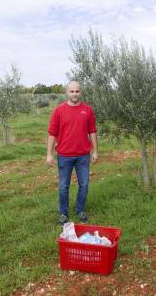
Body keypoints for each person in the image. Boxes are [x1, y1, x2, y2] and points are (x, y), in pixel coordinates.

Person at [46, 81, 98, 225]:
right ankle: (63, 213)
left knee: (84, 184)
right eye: (72, 91)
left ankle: (80, 210)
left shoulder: (87, 110)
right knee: (64, 186)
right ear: (67, 92)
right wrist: (49, 154)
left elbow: (92, 131)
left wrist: (95, 151)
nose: (75, 94)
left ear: (80, 92)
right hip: (64, 155)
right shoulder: (59, 110)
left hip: (83, 155)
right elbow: (52, 133)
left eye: (77, 91)